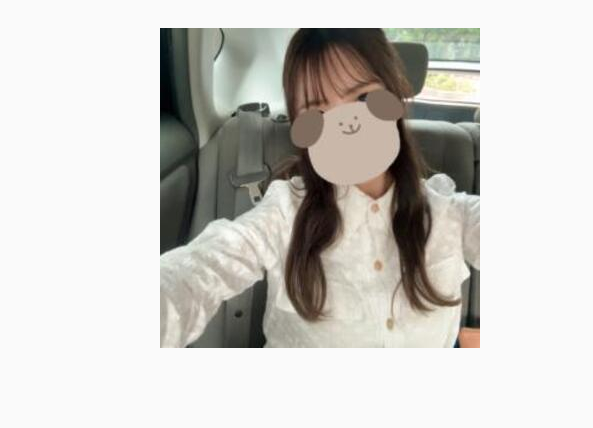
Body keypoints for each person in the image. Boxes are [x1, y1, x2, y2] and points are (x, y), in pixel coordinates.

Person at [160, 28, 480, 348]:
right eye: (319, 112)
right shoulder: (284, 213)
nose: (348, 124)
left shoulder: (450, 213)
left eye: (363, 97)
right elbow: (201, 270)